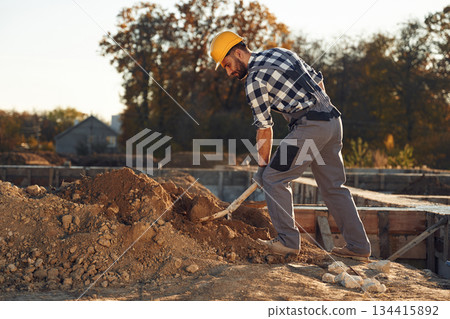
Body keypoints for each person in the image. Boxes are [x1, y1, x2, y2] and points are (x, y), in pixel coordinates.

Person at [209, 30, 371, 260]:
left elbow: (265, 129)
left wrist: (262, 169)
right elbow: (319, 82)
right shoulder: (280, 53)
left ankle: (287, 241)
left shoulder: (254, 81)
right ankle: (359, 246)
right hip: (333, 121)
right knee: (334, 187)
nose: (229, 72)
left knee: (274, 178)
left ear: (238, 52)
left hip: (311, 126)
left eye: (227, 64)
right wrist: (317, 116)